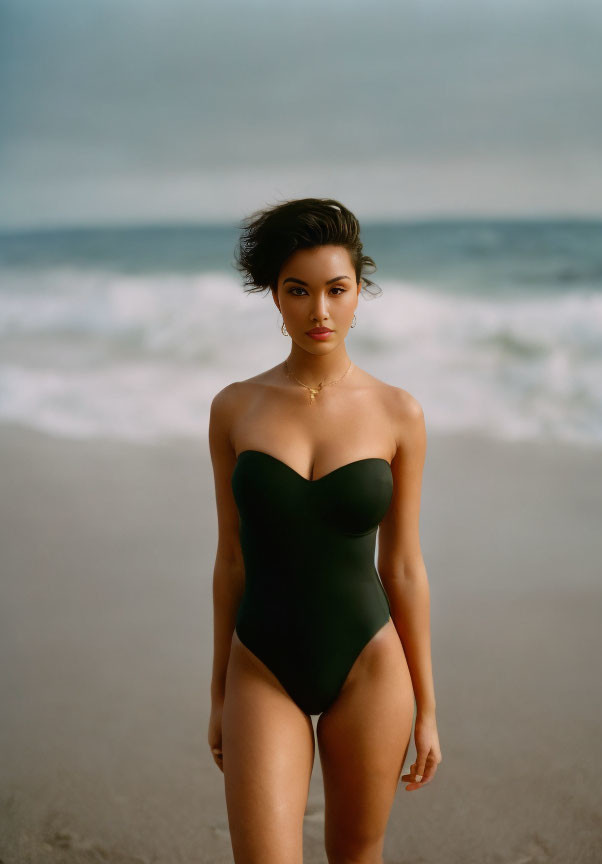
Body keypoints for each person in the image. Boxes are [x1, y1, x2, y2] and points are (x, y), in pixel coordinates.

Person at [207, 197, 441, 864]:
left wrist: (427, 707)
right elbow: (231, 561)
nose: (320, 312)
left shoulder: (400, 414)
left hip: (369, 663)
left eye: (337, 290)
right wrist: (218, 690)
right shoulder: (235, 408)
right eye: (298, 291)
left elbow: (403, 568)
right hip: (262, 665)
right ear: (274, 297)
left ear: (359, 292)